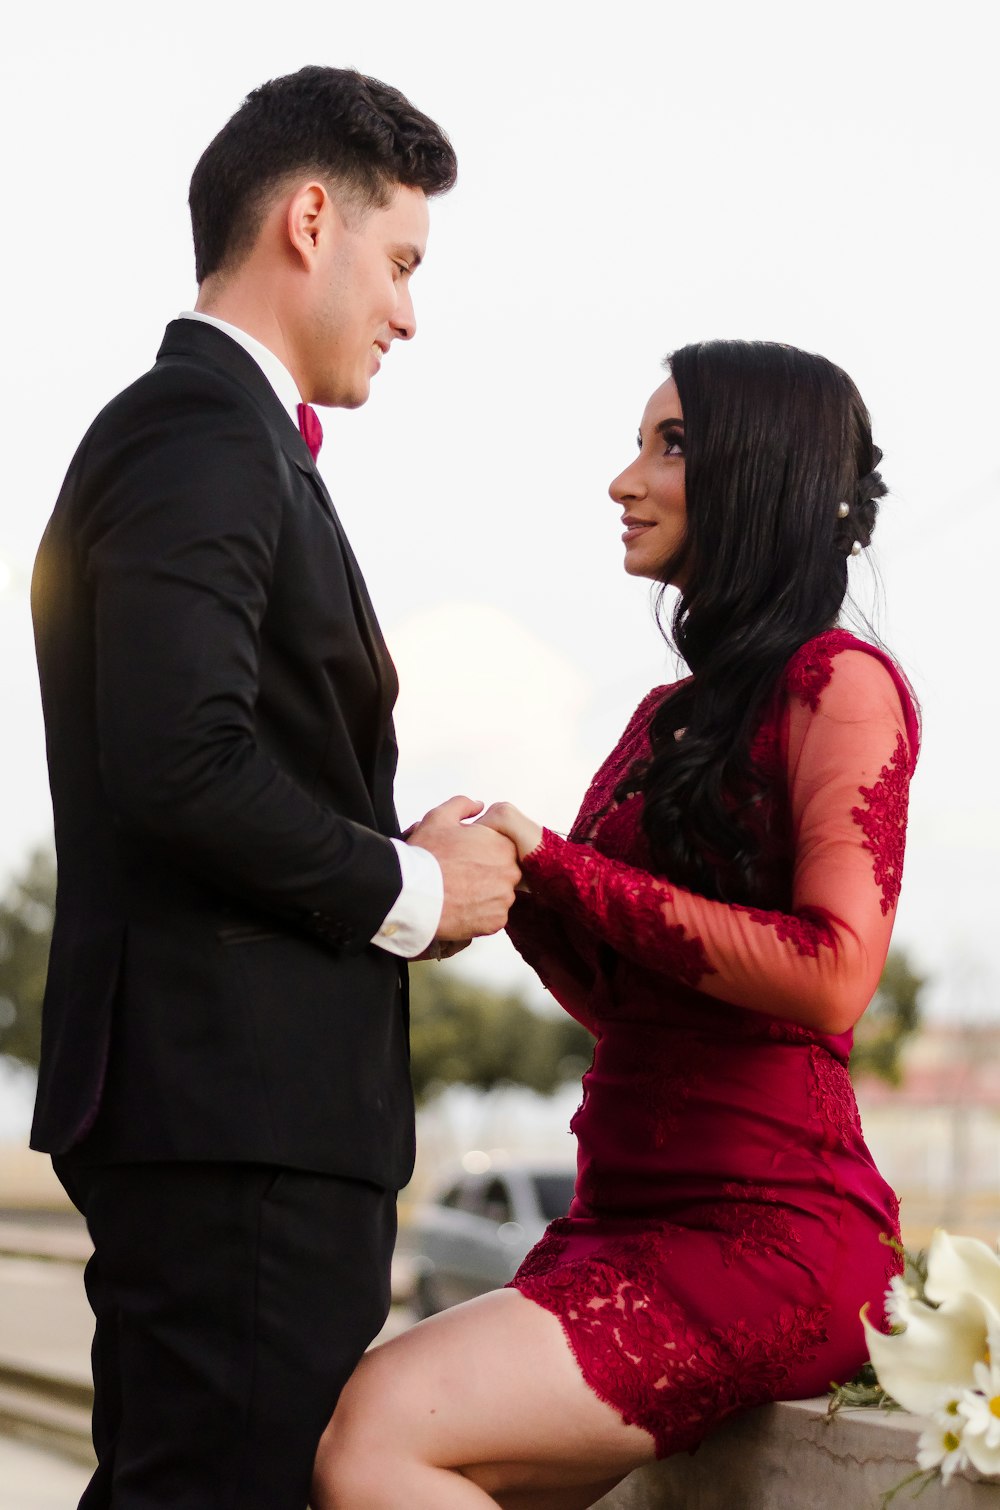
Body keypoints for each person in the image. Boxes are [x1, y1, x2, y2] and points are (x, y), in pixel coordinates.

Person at [313, 339, 919, 1510]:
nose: (623, 479)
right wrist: (510, 876)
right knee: (371, 1442)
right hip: (621, 1218)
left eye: (671, 444)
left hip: (765, 1234)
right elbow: (620, 999)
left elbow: (834, 974)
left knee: (369, 1439)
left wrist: (558, 865)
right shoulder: (665, 715)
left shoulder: (841, 683)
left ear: (763, 475)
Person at [30, 66, 519, 1509]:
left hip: (235, 1111)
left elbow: (217, 752)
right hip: (231, 1114)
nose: (411, 313)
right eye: (404, 263)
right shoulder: (196, 432)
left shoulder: (218, 440)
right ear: (313, 217)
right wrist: (415, 887)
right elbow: (180, 759)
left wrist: (393, 843)